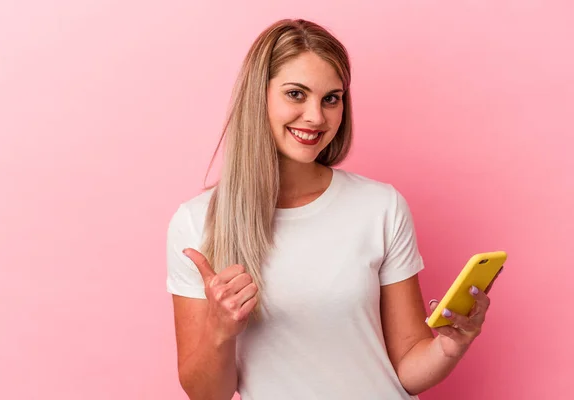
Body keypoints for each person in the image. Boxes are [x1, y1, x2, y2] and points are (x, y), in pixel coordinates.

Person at [166, 18, 492, 400]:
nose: (316, 117)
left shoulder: (381, 206)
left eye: (331, 98)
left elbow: (407, 365)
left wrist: (450, 346)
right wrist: (219, 329)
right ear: (259, 96)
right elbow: (206, 394)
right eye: (295, 94)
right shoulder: (196, 223)